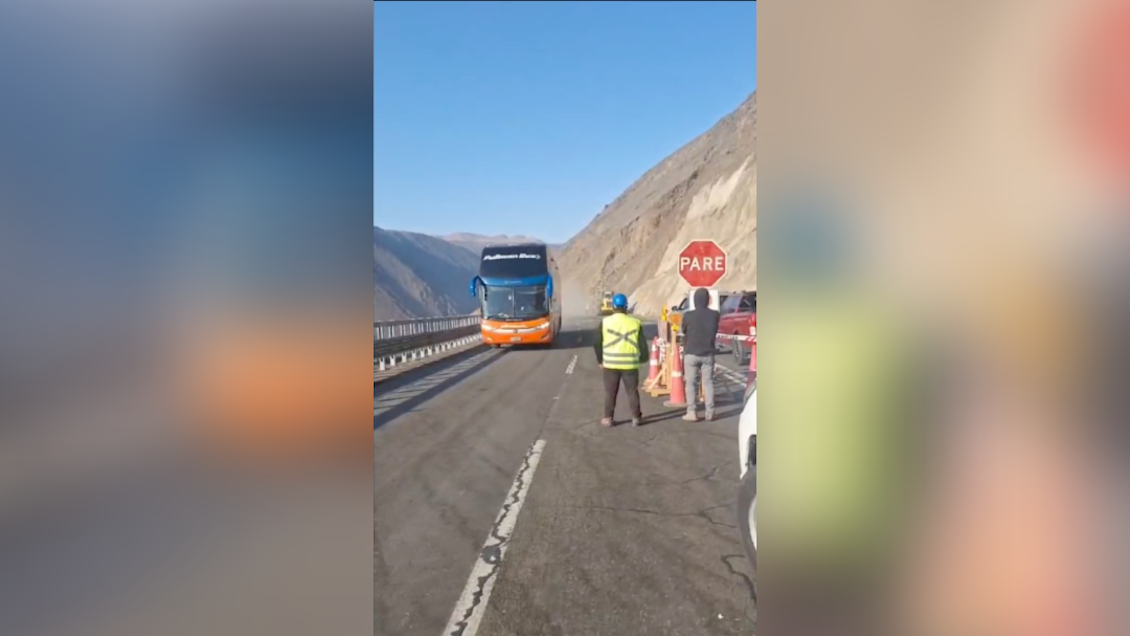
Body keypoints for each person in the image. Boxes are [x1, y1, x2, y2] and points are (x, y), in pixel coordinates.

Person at [593, 293, 648, 427]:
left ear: (613, 306)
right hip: (630, 364)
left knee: (610, 392)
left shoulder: (605, 322)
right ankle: (636, 418)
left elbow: (597, 343)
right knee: (632, 392)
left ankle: (608, 418)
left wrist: (600, 360)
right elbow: (642, 344)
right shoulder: (635, 323)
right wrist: (643, 359)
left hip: (610, 364)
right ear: (626, 307)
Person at [681, 287, 720, 421]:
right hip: (708, 353)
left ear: (695, 300)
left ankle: (692, 412)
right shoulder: (715, 315)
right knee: (708, 383)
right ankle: (710, 412)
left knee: (691, 383)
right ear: (708, 300)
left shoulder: (688, 315)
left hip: (691, 352)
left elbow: (684, 330)